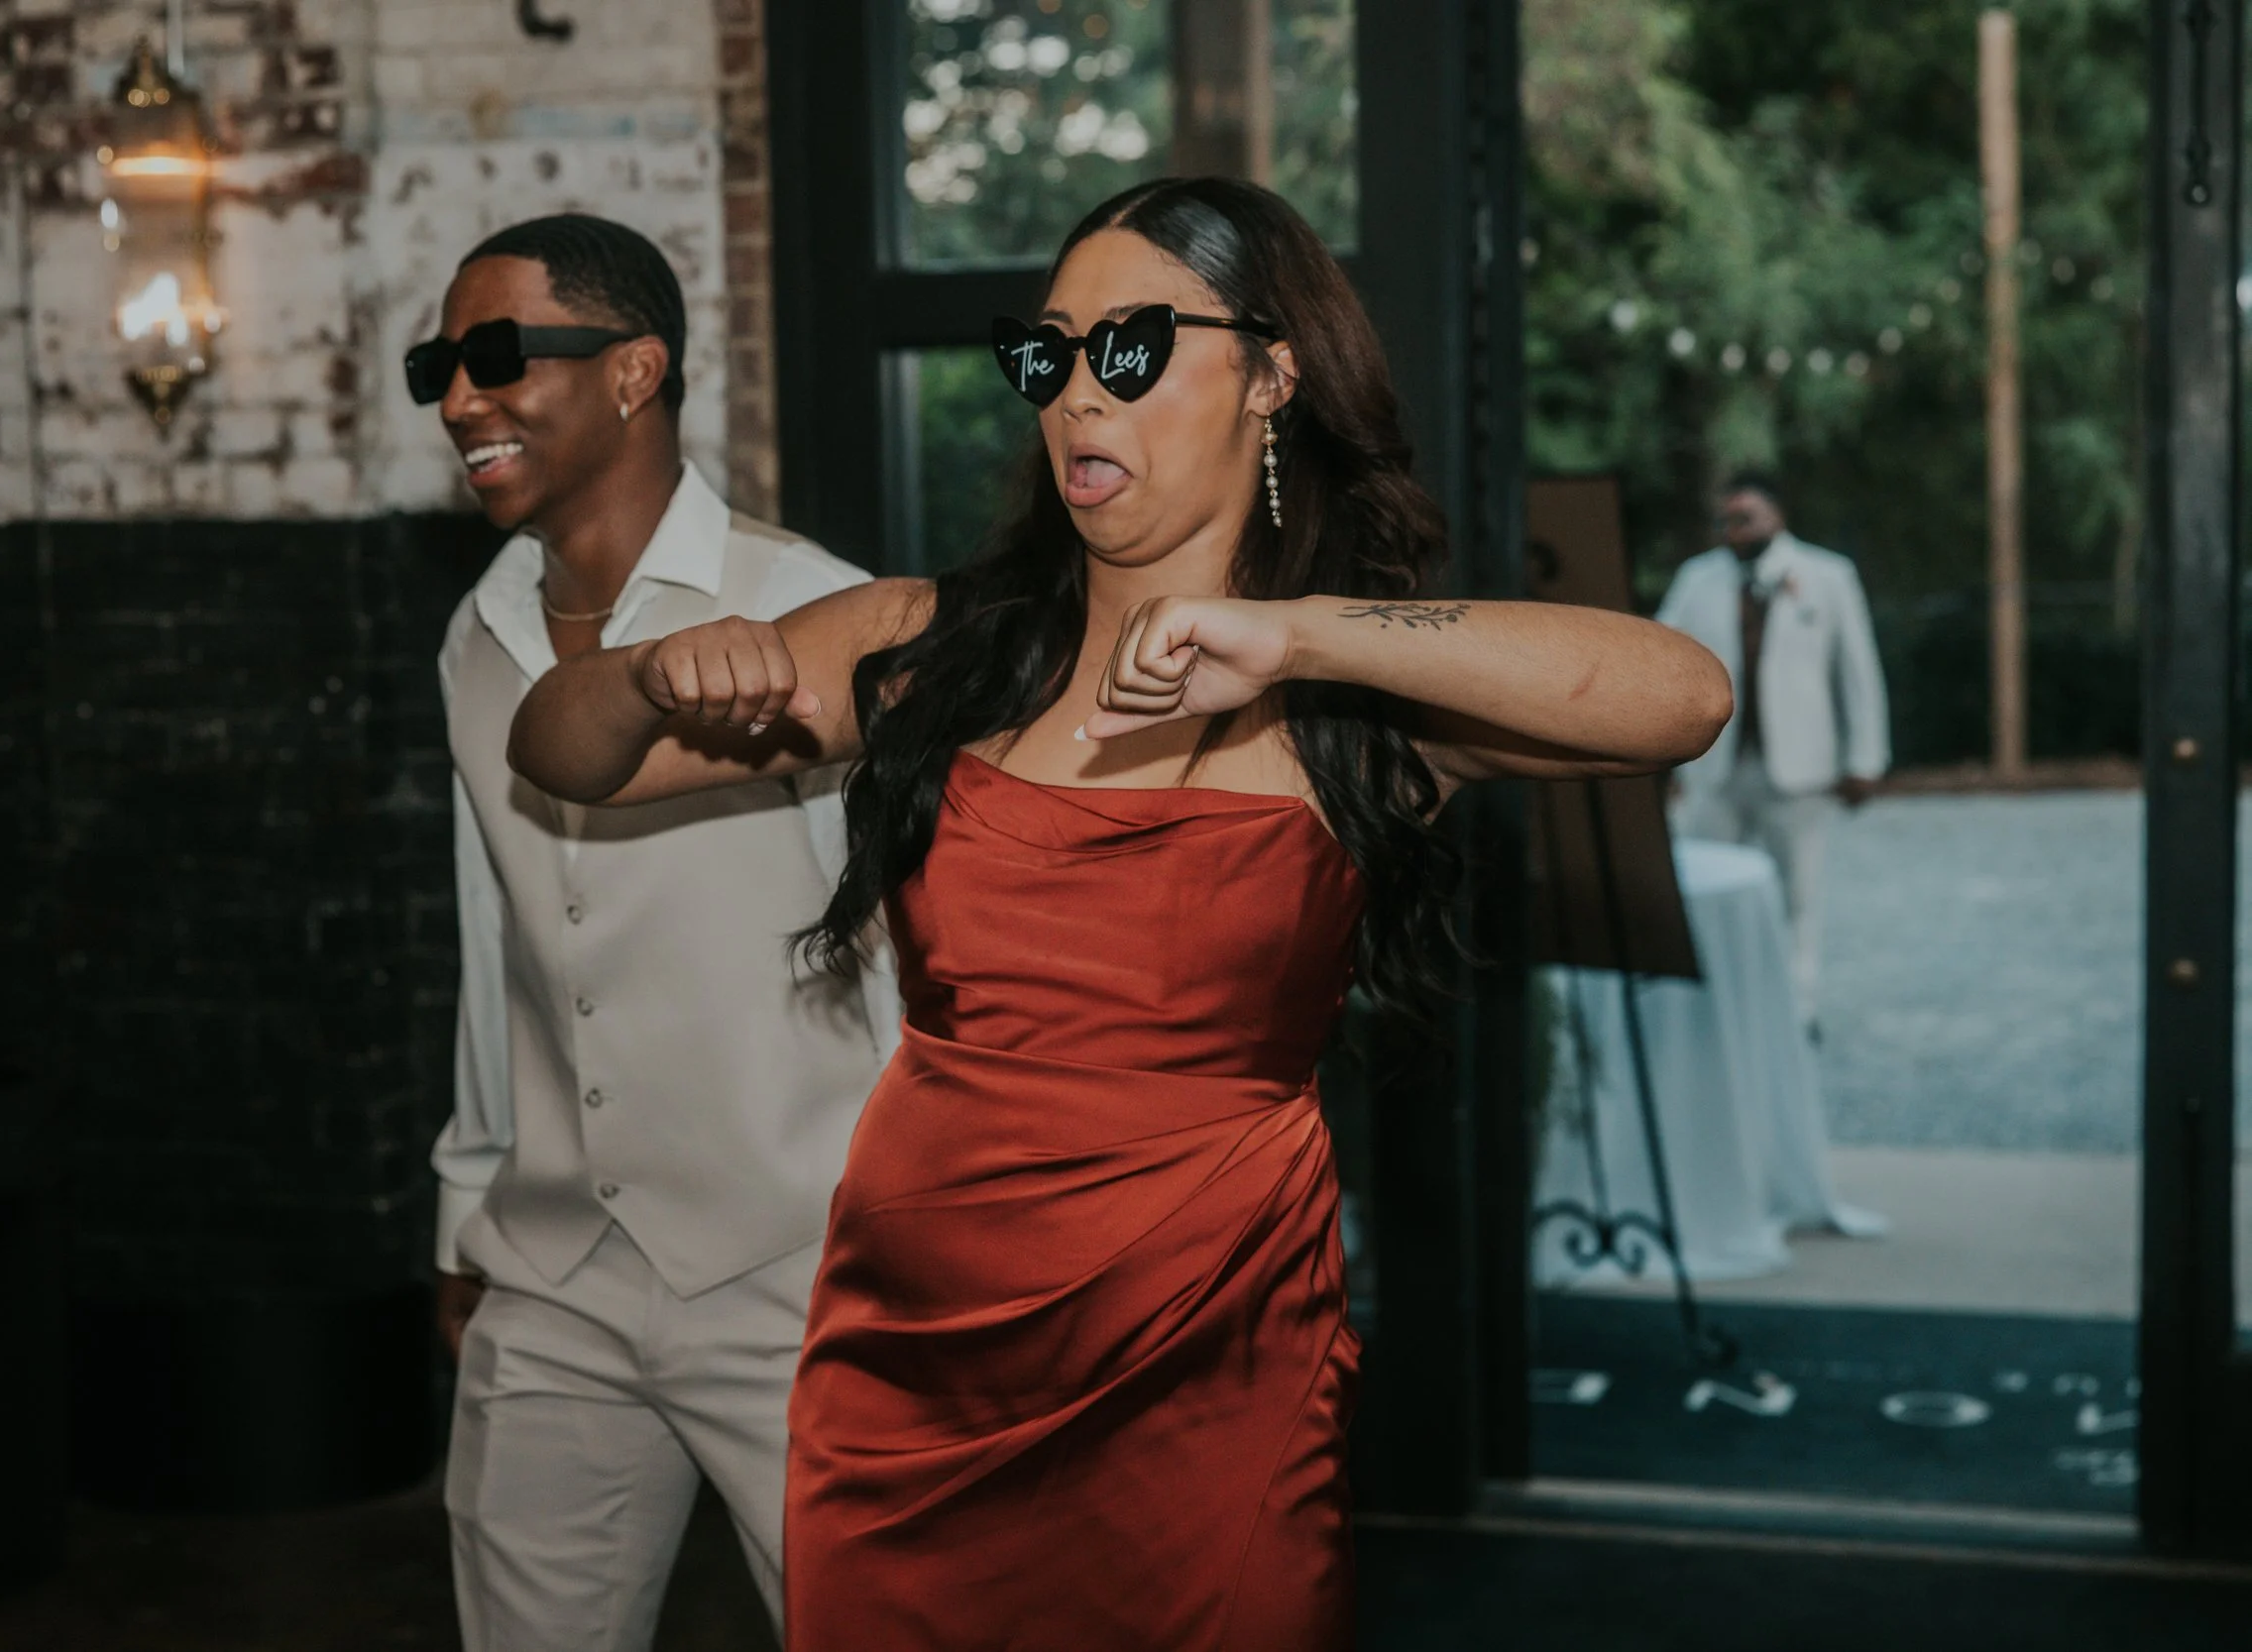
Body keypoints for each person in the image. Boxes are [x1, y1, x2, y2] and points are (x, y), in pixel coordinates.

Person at [507, 178, 1731, 1650]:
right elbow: (557, 753)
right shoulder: (930, 648)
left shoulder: (1354, 705)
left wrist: (1300, 634)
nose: (1079, 393)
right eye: (1048, 355)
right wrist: (643, 673)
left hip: (1213, 1370)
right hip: (916, 1377)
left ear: (1272, 374)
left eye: (1133, 348)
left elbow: (1683, 696)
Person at [416, 213, 897, 1652]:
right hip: (552, 1267)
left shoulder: (808, 609)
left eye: (497, 355)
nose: (459, 399)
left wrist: (922, 1248)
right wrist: (467, 1203)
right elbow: (498, 938)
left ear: (636, 372)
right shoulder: (476, 636)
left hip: (798, 1271)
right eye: (439, 368)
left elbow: (906, 958)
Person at [1654, 473, 1890, 1031]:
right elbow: (1661, 659)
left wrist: (1865, 760)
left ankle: (1796, 1012)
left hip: (1800, 771)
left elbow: (1857, 672)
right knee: (1705, 888)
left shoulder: (1828, 576)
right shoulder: (1698, 579)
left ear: (1776, 516)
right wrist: (1663, 758)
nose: (1734, 531)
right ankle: (1714, 1007)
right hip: (1715, 766)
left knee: (1798, 897)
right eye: (1726, 520)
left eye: (1746, 519)